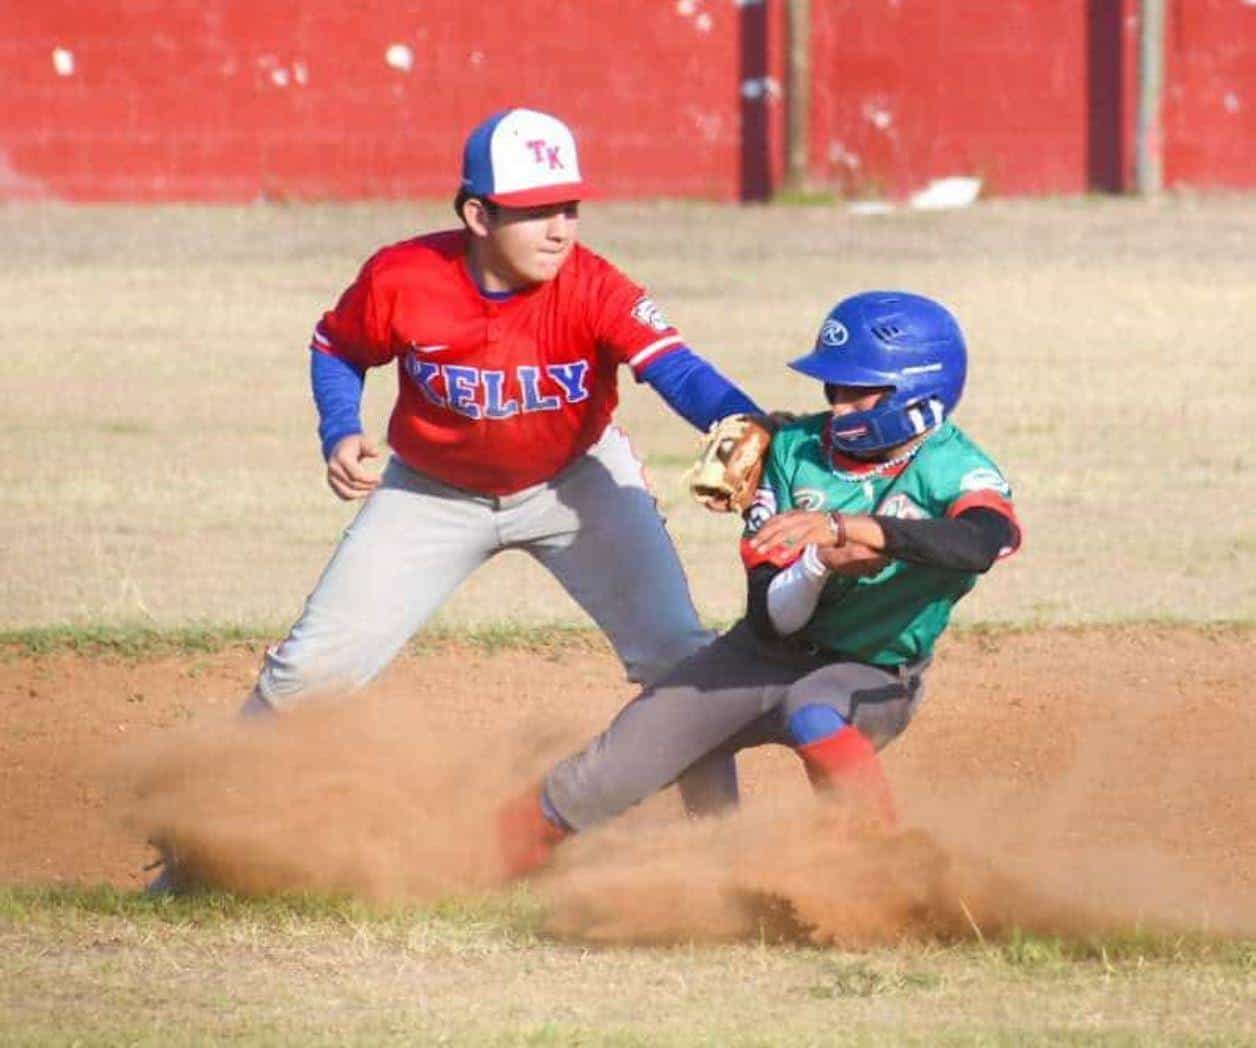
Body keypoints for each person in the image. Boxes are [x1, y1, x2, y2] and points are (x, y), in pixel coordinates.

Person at [147, 108, 761, 891]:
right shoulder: (403, 278)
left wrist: (750, 425)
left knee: (679, 657)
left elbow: (679, 370)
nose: (561, 228)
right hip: (431, 493)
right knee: (305, 675)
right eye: (536, 209)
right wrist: (340, 430)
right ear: (478, 213)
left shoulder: (596, 285)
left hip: (576, 486)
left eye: (570, 207)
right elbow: (337, 347)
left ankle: (731, 854)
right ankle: (200, 853)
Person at [498, 290, 1022, 877]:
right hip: (758, 655)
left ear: (919, 391)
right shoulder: (793, 451)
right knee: (607, 772)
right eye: (833, 390)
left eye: (860, 391)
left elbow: (983, 541)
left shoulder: (952, 465)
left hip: (874, 672)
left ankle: (885, 876)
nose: (840, 407)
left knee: (815, 710)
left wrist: (861, 530)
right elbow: (773, 618)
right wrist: (819, 564)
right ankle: (478, 861)